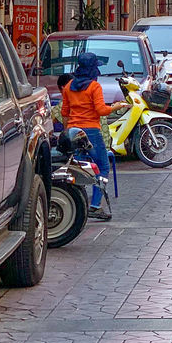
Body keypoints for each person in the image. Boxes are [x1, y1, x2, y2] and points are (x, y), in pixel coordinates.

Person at [60, 52, 129, 219]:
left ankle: (75, 205)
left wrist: (68, 130)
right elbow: (101, 110)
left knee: (76, 169)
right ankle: (95, 205)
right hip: (91, 132)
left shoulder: (69, 86)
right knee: (102, 167)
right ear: (93, 69)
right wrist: (116, 106)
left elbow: (64, 112)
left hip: (74, 132)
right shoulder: (94, 87)